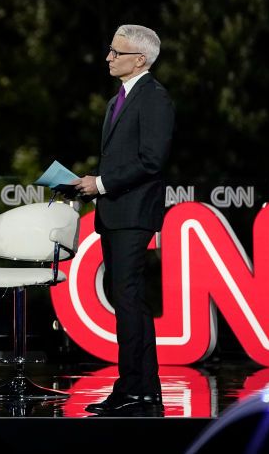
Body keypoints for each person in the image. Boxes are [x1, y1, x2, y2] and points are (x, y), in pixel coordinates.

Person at [74, 24, 175, 416]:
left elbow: (152, 160)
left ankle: (139, 390)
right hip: (116, 212)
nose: (109, 57)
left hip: (133, 213)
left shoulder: (154, 99)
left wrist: (99, 183)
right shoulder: (121, 98)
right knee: (127, 301)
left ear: (140, 59)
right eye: (110, 50)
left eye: (116, 52)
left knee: (130, 301)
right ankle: (137, 389)